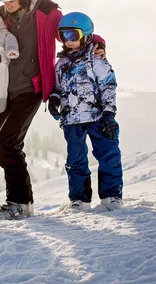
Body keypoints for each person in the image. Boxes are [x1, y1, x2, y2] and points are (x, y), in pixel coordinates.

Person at [0, 0, 107, 220]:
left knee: (5, 145)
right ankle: (21, 202)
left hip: (32, 87)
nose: (5, 4)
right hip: (5, 89)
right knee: (9, 146)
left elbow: (70, 28)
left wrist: (97, 42)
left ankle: (19, 202)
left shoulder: (47, 12)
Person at [48, 12, 123, 211]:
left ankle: (111, 195)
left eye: (73, 35)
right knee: (75, 159)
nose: (68, 41)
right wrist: (54, 101)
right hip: (72, 119)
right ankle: (79, 199)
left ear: (86, 36)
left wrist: (109, 114)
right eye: (64, 36)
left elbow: (108, 85)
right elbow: (57, 88)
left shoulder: (96, 59)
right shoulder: (61, 64)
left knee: (108, 153)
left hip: (97, 117)